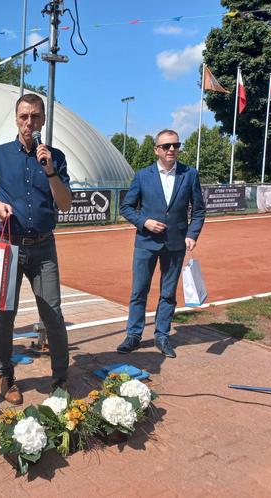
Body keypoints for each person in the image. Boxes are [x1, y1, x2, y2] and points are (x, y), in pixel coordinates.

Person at [0, 93, 72, 405]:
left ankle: (60, 377)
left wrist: (50, 171)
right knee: (5, 314)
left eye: (35, 116)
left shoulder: (54, 157)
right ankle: (6, 376)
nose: (29, 122)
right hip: (8, 247)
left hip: (43, 247)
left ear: (43, 119)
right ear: (16, 119)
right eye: (23, 116)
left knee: (53, 313)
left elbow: (65, 203)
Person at [116, 129, 205, 359]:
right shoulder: (143, 176)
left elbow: (199, 210)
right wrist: (144, 222)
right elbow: (126, 207)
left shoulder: (190, 175)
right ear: (156, 150)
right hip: (146, 242)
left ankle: (162, 335)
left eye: (175, 145)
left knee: (168, 293)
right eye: (166, 146)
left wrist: (192, 234)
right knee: (139, 291)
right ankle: (133, 335)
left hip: (175, 243)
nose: (172, 149)